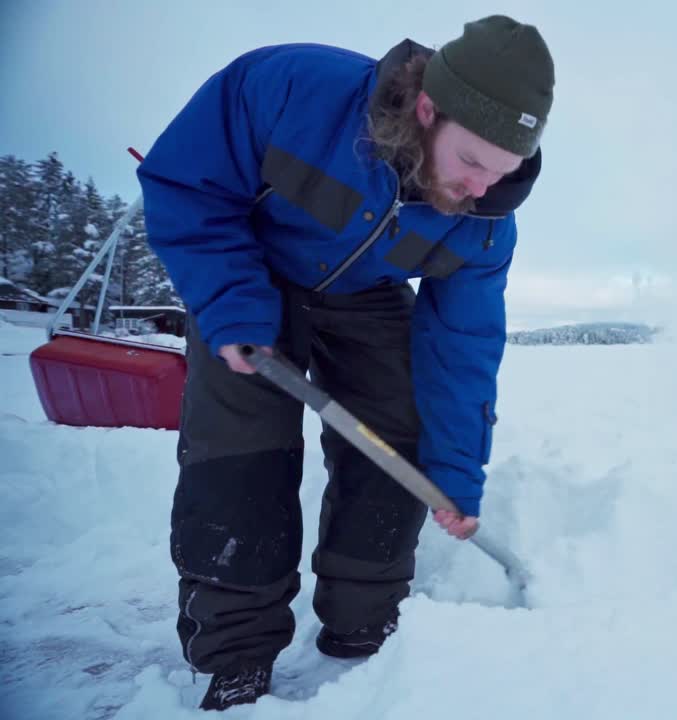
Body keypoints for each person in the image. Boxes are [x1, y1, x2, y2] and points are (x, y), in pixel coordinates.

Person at [137, 16, 554, 711]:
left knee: (400, 429)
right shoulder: (292, 88)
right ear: (428, 110)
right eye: (472, 161)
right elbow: (188, 184)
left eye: (503, 171)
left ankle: (364, 619)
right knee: (242, 447)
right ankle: (237, 651)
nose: (482, 187)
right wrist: (234, 307)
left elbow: (462, 349)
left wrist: (456, 476)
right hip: (252, 273)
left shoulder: (486, 223)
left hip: (365, 293)